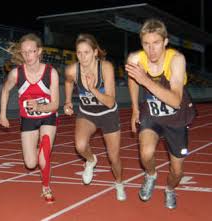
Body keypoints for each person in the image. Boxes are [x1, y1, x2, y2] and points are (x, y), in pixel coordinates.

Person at [125, 18, 196, 209]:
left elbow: (174, 100)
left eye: (156, 43)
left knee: (177, 170)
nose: (151, 50)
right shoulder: (135, 59)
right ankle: (151, 175)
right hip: (152, 115)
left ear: (165, 41)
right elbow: (133, 80)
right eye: (146, 44)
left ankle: (170, 189)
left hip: (177, 118)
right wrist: (134, 109)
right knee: (145, 153)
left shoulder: (176, 60)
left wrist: (145, 81)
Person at [64, 33, 126, 201]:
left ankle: (119, 183)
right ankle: (91, 161)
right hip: (87, 113)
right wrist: (68, 101)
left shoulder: (105, 67)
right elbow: (69, 82)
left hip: (108, 113)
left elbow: (110, 101)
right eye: (79, 53)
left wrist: (93, 89)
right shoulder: (72, 69)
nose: (82, 57)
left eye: (86, 52)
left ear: (95, 52)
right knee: (80, 146)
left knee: (113, 157)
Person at [0, 33, 60, 203]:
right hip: (28, 119)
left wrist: (40, 107)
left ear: (39, 51)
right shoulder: (16, 74)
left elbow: (55, 104)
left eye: (31, 51)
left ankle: (46, 187)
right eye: (24, 52)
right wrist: (2, 114)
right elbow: (5, 90)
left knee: (44, 154)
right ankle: (40, 148)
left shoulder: (51, 73)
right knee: (31, 163)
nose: (28, 56)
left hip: (48, 116)